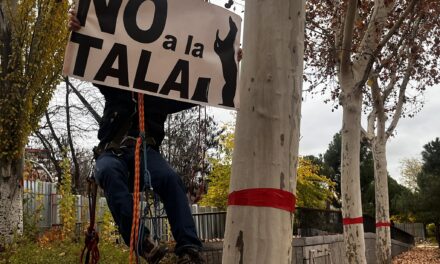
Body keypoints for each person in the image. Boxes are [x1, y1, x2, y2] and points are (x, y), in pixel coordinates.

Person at [68, 11, 207, 264]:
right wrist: (79, 30)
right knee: (107, 171)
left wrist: (226, 63)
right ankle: (142, 242)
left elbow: (199, 89)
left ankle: (189, 248)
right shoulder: (115, 83)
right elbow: (89, 61)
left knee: (170, 179)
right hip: (114, 153)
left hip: (147, 155)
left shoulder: (163, 92)